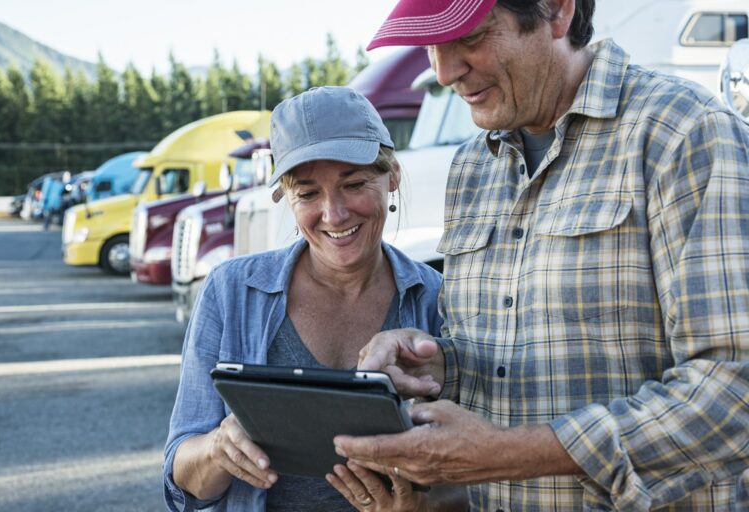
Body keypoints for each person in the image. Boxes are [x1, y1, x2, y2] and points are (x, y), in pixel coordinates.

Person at [333, 0, 749, 510]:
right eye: (431, 44)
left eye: (470, 36)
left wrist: (512, 454)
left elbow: (734, 391)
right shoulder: (471, 167)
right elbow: (527, 361)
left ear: (556, 11)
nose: (443, 71)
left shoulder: (682, 133)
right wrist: (438, 363)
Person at [163, 86, 465, 511]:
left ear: (392, 175)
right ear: (288, 197)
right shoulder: (229, 292)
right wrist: (217, 449)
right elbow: (183, 479)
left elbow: (473, 477)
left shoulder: (438, 299)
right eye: (307, 194)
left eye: (354, 183)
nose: (334, 214)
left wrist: (422, 508)